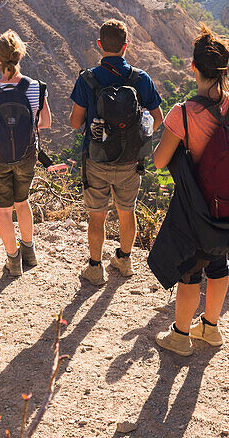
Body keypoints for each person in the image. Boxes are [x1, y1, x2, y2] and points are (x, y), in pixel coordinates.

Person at [149, 25, 229, 355]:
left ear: (193, 67)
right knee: (218, 262)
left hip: (197, 209)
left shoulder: (182, 113)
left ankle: (181, 335)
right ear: (224, 70)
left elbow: (159, 160)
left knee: (190, 270)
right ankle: (210, 329)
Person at [69, 19, 163, 285]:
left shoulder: (87, 79)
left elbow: (76, 123)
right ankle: (124, 259)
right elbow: (159, 118)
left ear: (100, 45)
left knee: (96, 216)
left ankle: (95, 268)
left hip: (96, 159)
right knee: (127, 210)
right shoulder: (141, 79)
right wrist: (138, 137)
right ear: (126, 46)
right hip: (130, 161)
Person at [0, 30, 52, 278]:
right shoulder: (36, 87)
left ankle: (13, 262)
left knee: (3, 210)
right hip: (27, 154)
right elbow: (46, 122)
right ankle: (29, 251)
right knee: (22, 203)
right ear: (21, 55)